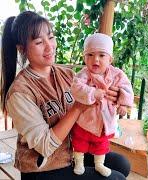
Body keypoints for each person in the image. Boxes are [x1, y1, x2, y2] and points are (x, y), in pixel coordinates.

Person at [0, 11, 130, 179]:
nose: (50, 47)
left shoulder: (66, 75)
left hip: (72, 151)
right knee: (116, 178)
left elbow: (96, 95)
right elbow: (45, 146)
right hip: (43, 168)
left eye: (51, 37)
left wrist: (116, 95)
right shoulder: (20, 93)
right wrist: (78, 107)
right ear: (21, 49)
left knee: (121, 164)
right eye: (39, 42)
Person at [70, 33, 134, 177]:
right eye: (90, 55)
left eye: (102, 55)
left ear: (110, 59)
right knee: (79, 141)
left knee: (101, 144)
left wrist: (123, 103)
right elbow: (75, 88)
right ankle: (79, 162)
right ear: (84, 58)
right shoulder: (84, 74)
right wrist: (92, 93)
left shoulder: (117, 74)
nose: (96, 59)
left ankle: (99, 164)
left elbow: (126, 88)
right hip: (85, 120)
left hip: (105, 121)